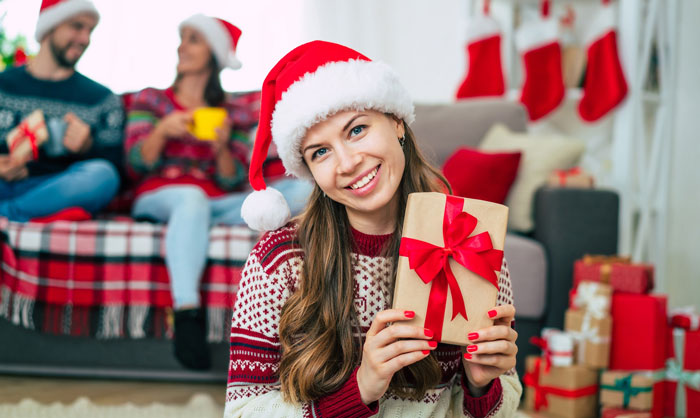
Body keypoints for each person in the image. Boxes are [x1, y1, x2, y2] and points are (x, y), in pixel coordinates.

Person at [225, 40, 521, 417]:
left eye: (357, 130)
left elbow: (504, 403)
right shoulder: (279, 259)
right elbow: (242, 411)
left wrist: (481, 384)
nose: (347, 163)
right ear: (309, 170)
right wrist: (361, 387)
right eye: (321, 151)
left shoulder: (470, 243)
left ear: (396, 121)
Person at [124, 15, 311, 370]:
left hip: (213, 202)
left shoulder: (233, 112)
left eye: (193, 39)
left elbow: (235, 178)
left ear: (213, 53)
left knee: (300, 191)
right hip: (160, 195)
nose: (182, 45)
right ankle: (186, 313)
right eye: (183, 38)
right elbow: (135, 164)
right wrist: (162, 130)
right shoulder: (152, 100)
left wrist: (223, 146)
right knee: (190, 199)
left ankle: (192, 224)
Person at [0, 0, 123, 222]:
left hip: (56, 190)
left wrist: (88, 147)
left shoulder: (102, 100)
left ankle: (10, 214)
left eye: (90, 31)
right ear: (50, 27)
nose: (85, 39)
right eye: (77, 26)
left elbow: (117, 173)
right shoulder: (3, 86)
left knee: (103, 175)